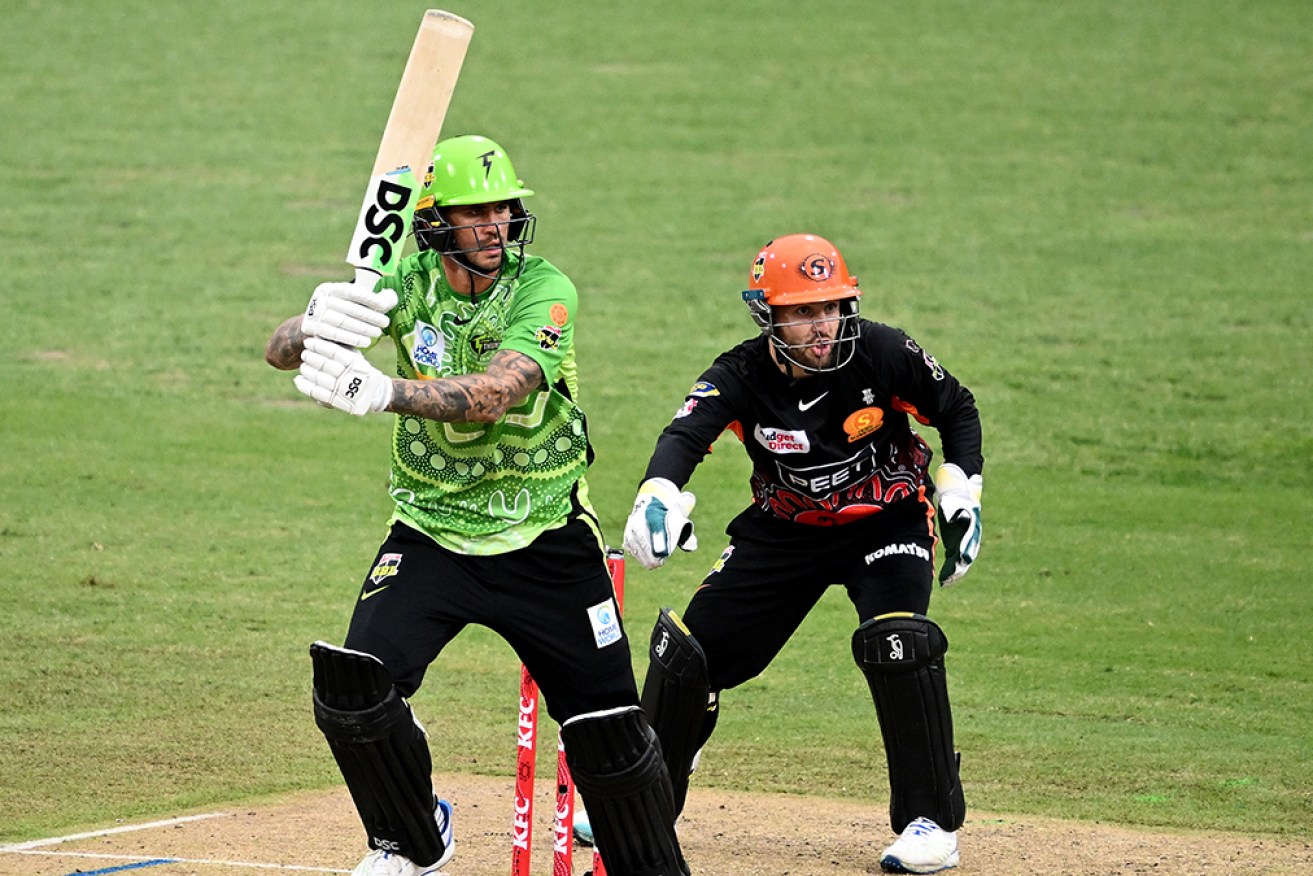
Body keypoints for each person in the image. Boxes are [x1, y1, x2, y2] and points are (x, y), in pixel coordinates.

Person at [265, 134, 689, 876]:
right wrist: (319, 324)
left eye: (504, 207)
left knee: (610, 736)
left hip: (547, 541)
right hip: (430, 532)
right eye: (475, 212)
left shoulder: (544, 288)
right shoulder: (404, 278)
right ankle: (412, 839)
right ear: (433, 223)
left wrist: (383, 391)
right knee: (354, 691)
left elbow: (496, 392)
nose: (495, 225)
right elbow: (276, 350)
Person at [619, 233, 983, 874]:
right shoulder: (739, 374)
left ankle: (931, 822)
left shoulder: (882, 350)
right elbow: (685, 434)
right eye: (803, 311)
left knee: (899, 640)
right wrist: (659, 495)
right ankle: (646, 803)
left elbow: (956, 409)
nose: (823, 325)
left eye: (832, 307)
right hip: (784, 530)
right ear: (769, 315)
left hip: (886, 517)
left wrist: (961, 492)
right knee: (688, 658)